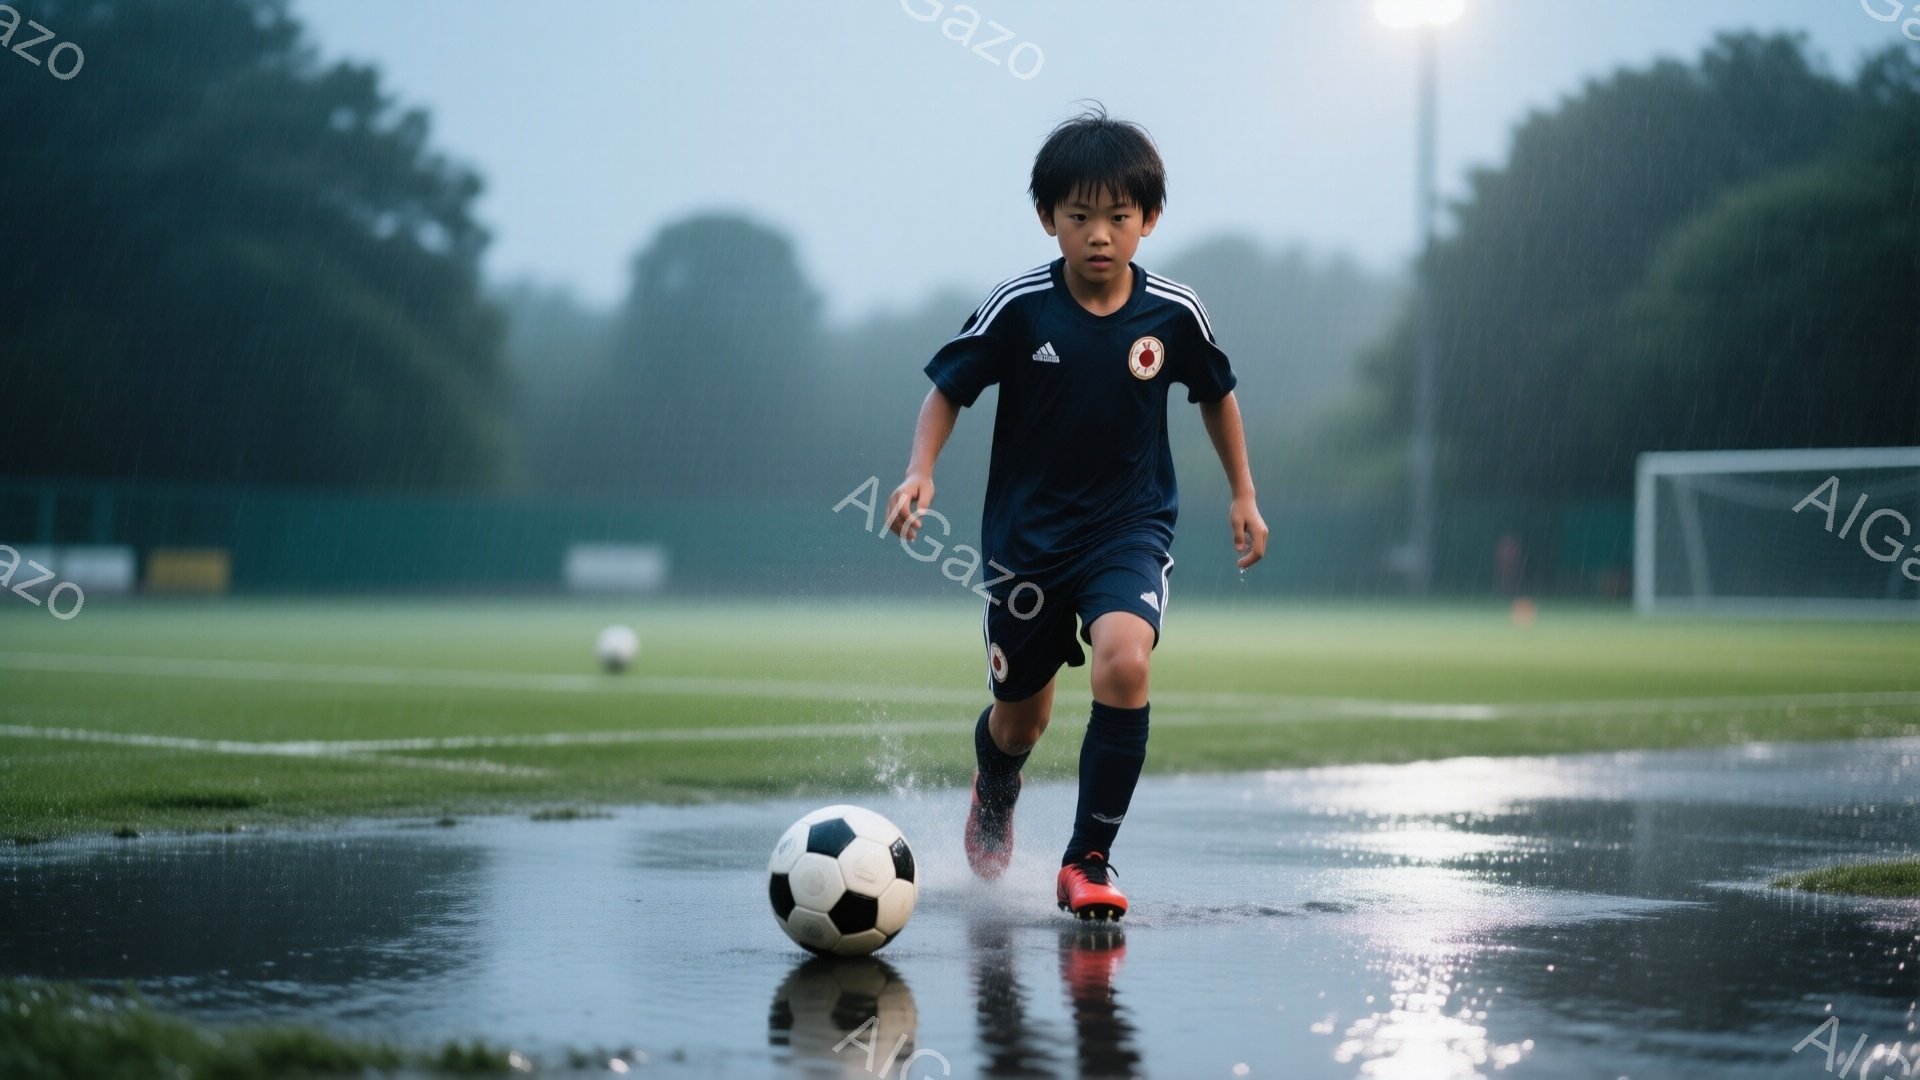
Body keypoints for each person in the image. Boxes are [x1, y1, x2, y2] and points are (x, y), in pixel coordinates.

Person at [884, 106, 1268, 920]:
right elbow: (947, 389)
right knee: (1023, 719)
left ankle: (1088, 858)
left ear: (1149, 220)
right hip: (1027, 545)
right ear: (1048, 219)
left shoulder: (1173, 312)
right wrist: (920, 471)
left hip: (1128, 530)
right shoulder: (1021, 307)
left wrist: (1243, 493)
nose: (1099, 234)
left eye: (1118, 217)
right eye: (1080, 216)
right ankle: (996, 783)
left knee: (1126, 661)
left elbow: (1217, 395)